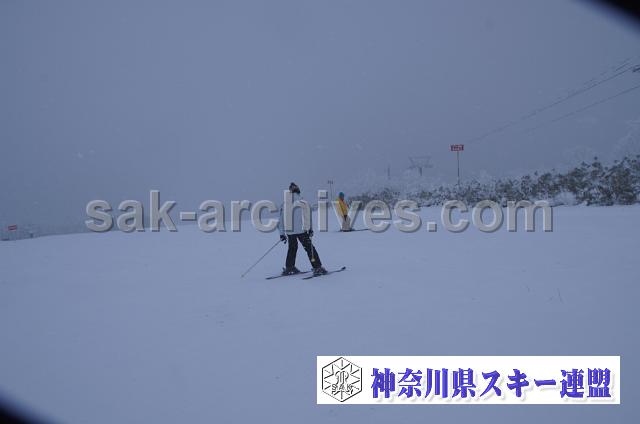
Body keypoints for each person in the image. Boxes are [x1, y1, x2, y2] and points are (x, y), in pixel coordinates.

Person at [277, 182, 328, 276]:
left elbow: (280, 220)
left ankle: (289, 267)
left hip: (290, 232)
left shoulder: (284, 204)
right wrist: (310, 229)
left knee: (292, 248)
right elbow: (307, 217)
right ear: (298, 191)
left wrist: (281, 234)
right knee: (309, 248)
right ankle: (317, 267)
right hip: (302, 231)